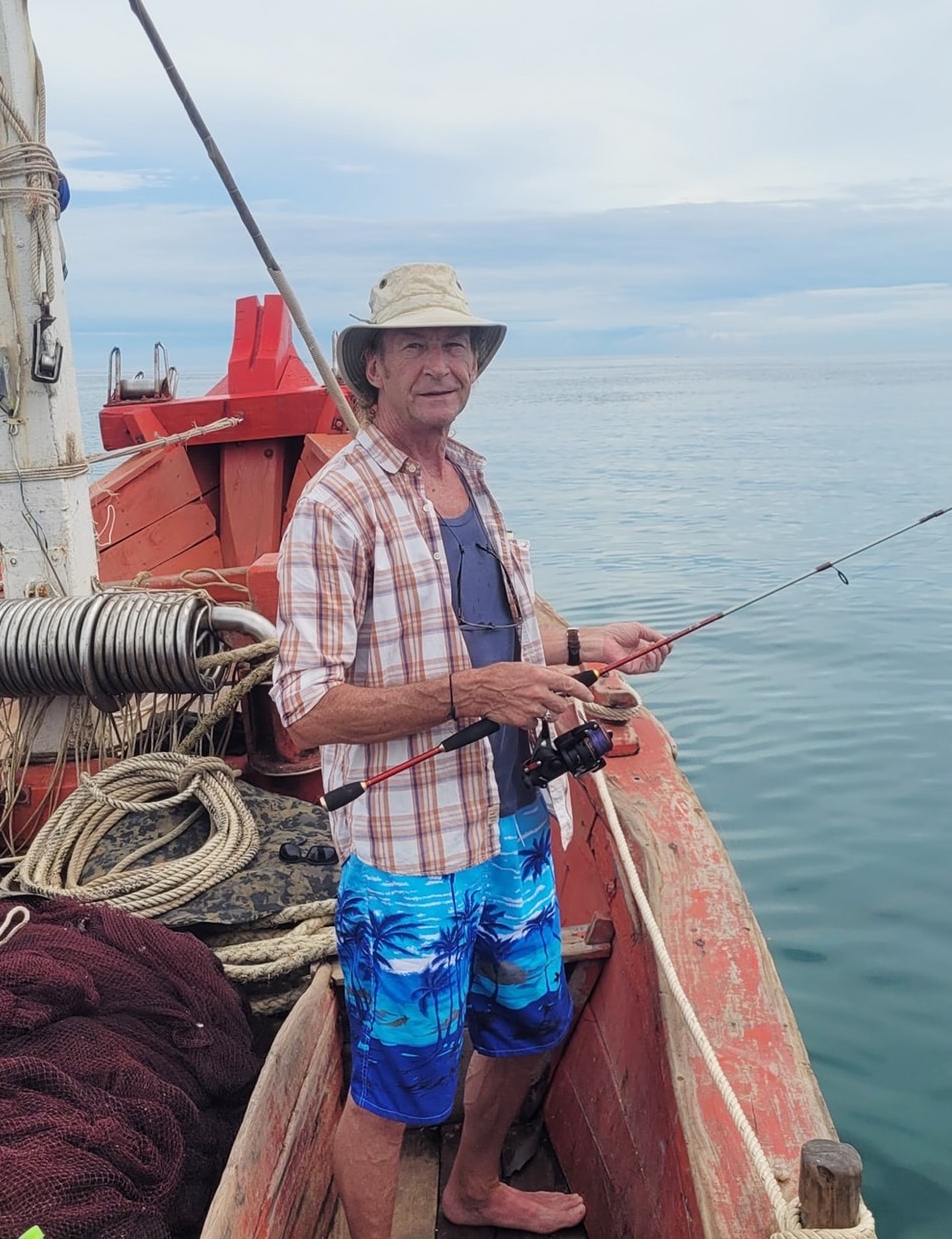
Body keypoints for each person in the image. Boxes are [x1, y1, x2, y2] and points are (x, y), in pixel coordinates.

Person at [273, 263, 670, 1238]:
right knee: (394, 1089)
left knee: (529, 1022)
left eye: (457, 345)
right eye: (417, 345)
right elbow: (307, 706)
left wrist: (583, 645)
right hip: (412, 859)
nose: (442, 364)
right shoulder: (335, 507)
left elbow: (494, 643)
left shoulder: (473, 479)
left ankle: (475, 1186)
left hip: (521, 826)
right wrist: (472, 693)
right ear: (373, 365)